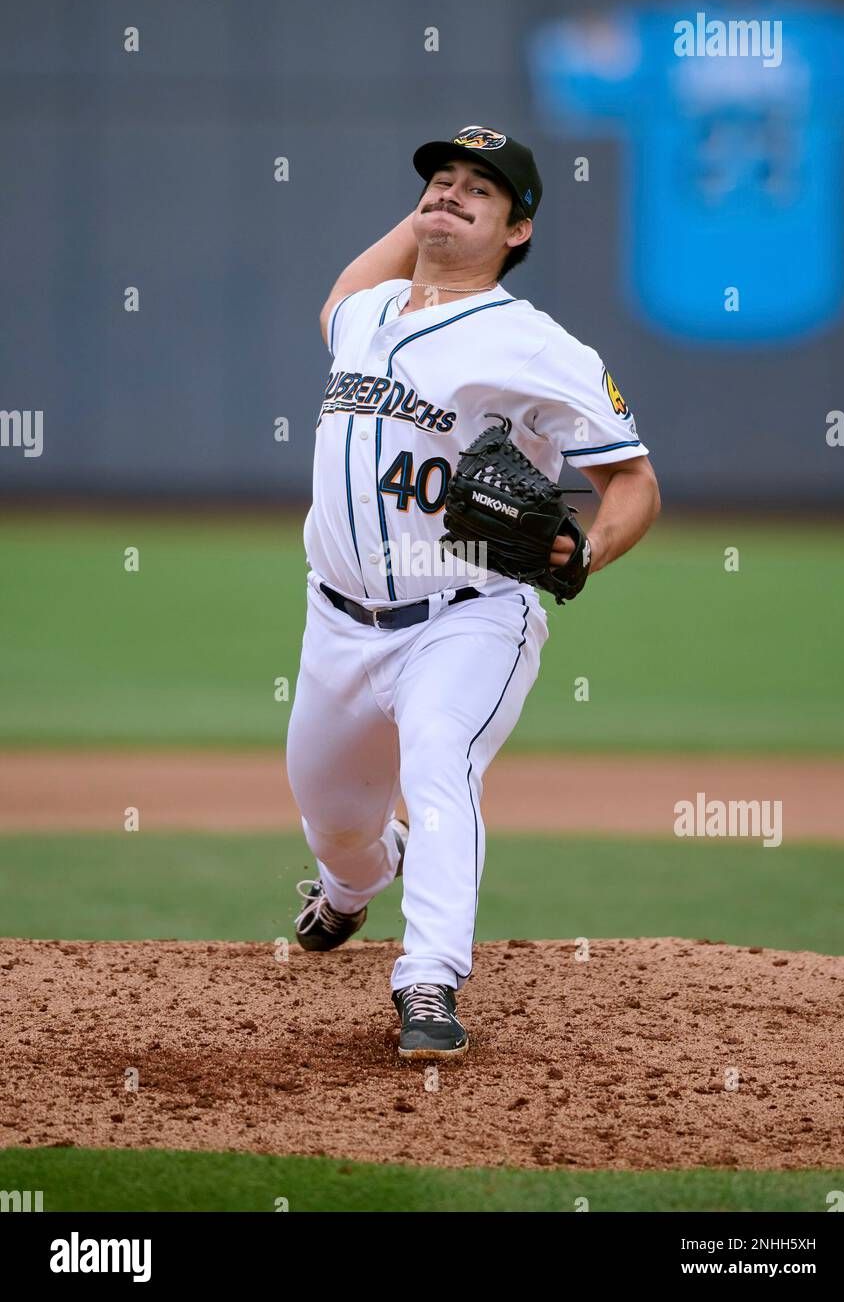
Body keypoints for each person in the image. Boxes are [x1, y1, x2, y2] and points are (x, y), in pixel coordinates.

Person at [287, 125, 660, 1059]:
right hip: (337, 622)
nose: (449, 197)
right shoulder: (368, 316)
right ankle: (349, 890)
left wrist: (586, 554)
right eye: (438, 184)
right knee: (335, 822)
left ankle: (429, 983)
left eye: (477, 193)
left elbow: (635, 485)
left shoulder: (535, 346)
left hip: (470, 614)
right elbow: (334, 295)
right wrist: (437, 211)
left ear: (518, 232)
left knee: (438, 764)